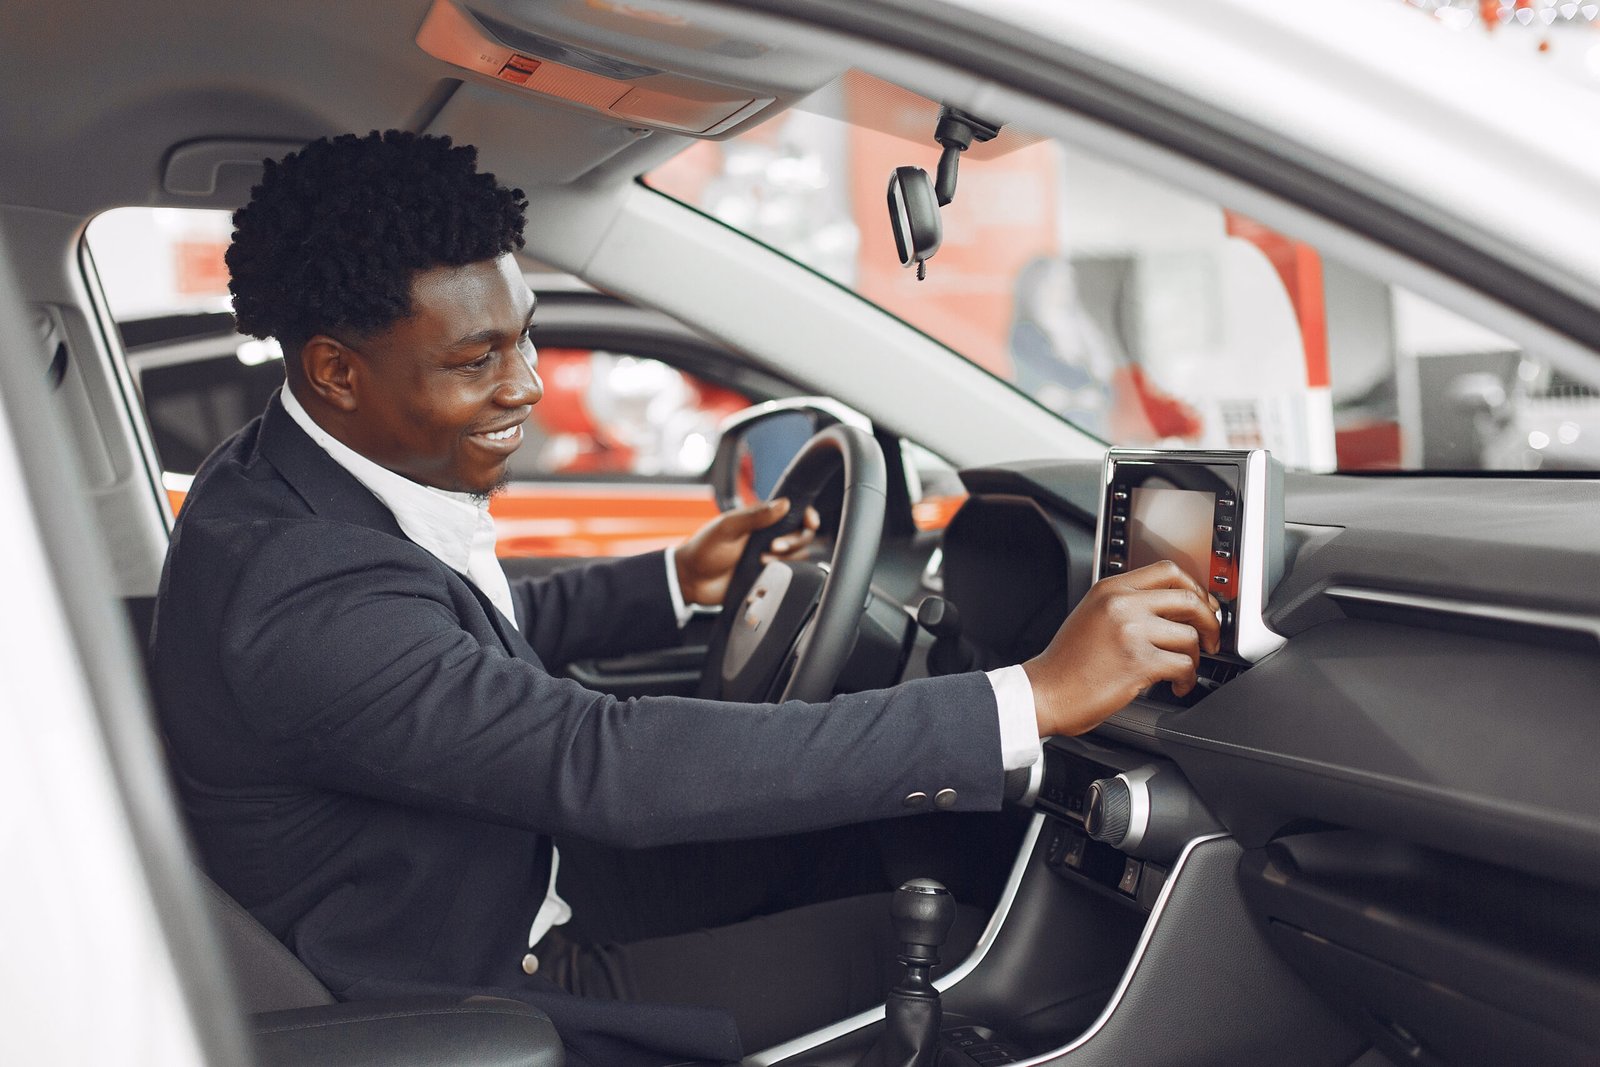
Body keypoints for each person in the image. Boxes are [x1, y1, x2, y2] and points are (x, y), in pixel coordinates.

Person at [150, 130, 1220, 1067]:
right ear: (336, 369)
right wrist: (1029, 695)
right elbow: (603, 763)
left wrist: (673, 580)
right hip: (468, 983)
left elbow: (457, 651)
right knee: (961, 947)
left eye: (523, 333)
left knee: (880, 846)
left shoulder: (294, 476)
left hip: (498, 878)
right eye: (477, 358)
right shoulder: (296, 587)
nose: (523, 383)